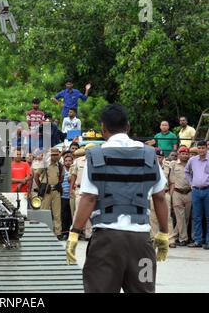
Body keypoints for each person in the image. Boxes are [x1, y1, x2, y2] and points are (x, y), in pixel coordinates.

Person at [66, 104, 169, 293]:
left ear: (103, 128)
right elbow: (160, 197)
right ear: (128, 127)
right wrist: (163, 233)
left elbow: (89, 198)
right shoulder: (149, 155)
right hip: (141, 243)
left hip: (106, 243)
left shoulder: (95, 156)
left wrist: (74, 233)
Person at [34, 147, 64, 239]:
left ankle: (58, 232)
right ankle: (42, 231)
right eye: (53, 155)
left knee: (57, 213)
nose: (55, 156)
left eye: (57, 154)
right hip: (46, 190)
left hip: (56, 190)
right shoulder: (44, 164)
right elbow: (36, 176)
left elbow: (61, 177)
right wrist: (41, 187)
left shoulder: (59, 165)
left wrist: (58, 184)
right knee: (44, 211)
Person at [185, 140, 209, 249]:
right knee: (197, 217)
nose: (201, 150)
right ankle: (198, 240)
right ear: (197, 149)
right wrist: (191, 183)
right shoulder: (192, 160)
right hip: (195, 191)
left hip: (207, 190)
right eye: (199, 148)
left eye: (203, 148)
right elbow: (186, 171)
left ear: (206, 148)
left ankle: (208, 241)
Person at [169, 147, 192, 246]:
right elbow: (171, 181)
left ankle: (175, 236)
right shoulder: (173, 164)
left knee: (186, 217)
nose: (184, 156)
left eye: (186, 154)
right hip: (177, 192)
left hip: (189, 192)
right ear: (179, 154)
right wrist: (171, 194)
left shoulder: (192, 164)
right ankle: (183, 239)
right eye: (182, 154)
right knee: (179, 216)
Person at [60, 154, 74, 240]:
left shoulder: (74, 169)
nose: (68, 162)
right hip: (63, 196)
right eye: (66, 161)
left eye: (70, 160)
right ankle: (65, 233)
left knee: (72, 215)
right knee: (64, 216)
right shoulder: (62, 170)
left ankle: (73, 233)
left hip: (72, 196)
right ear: (64, 162)